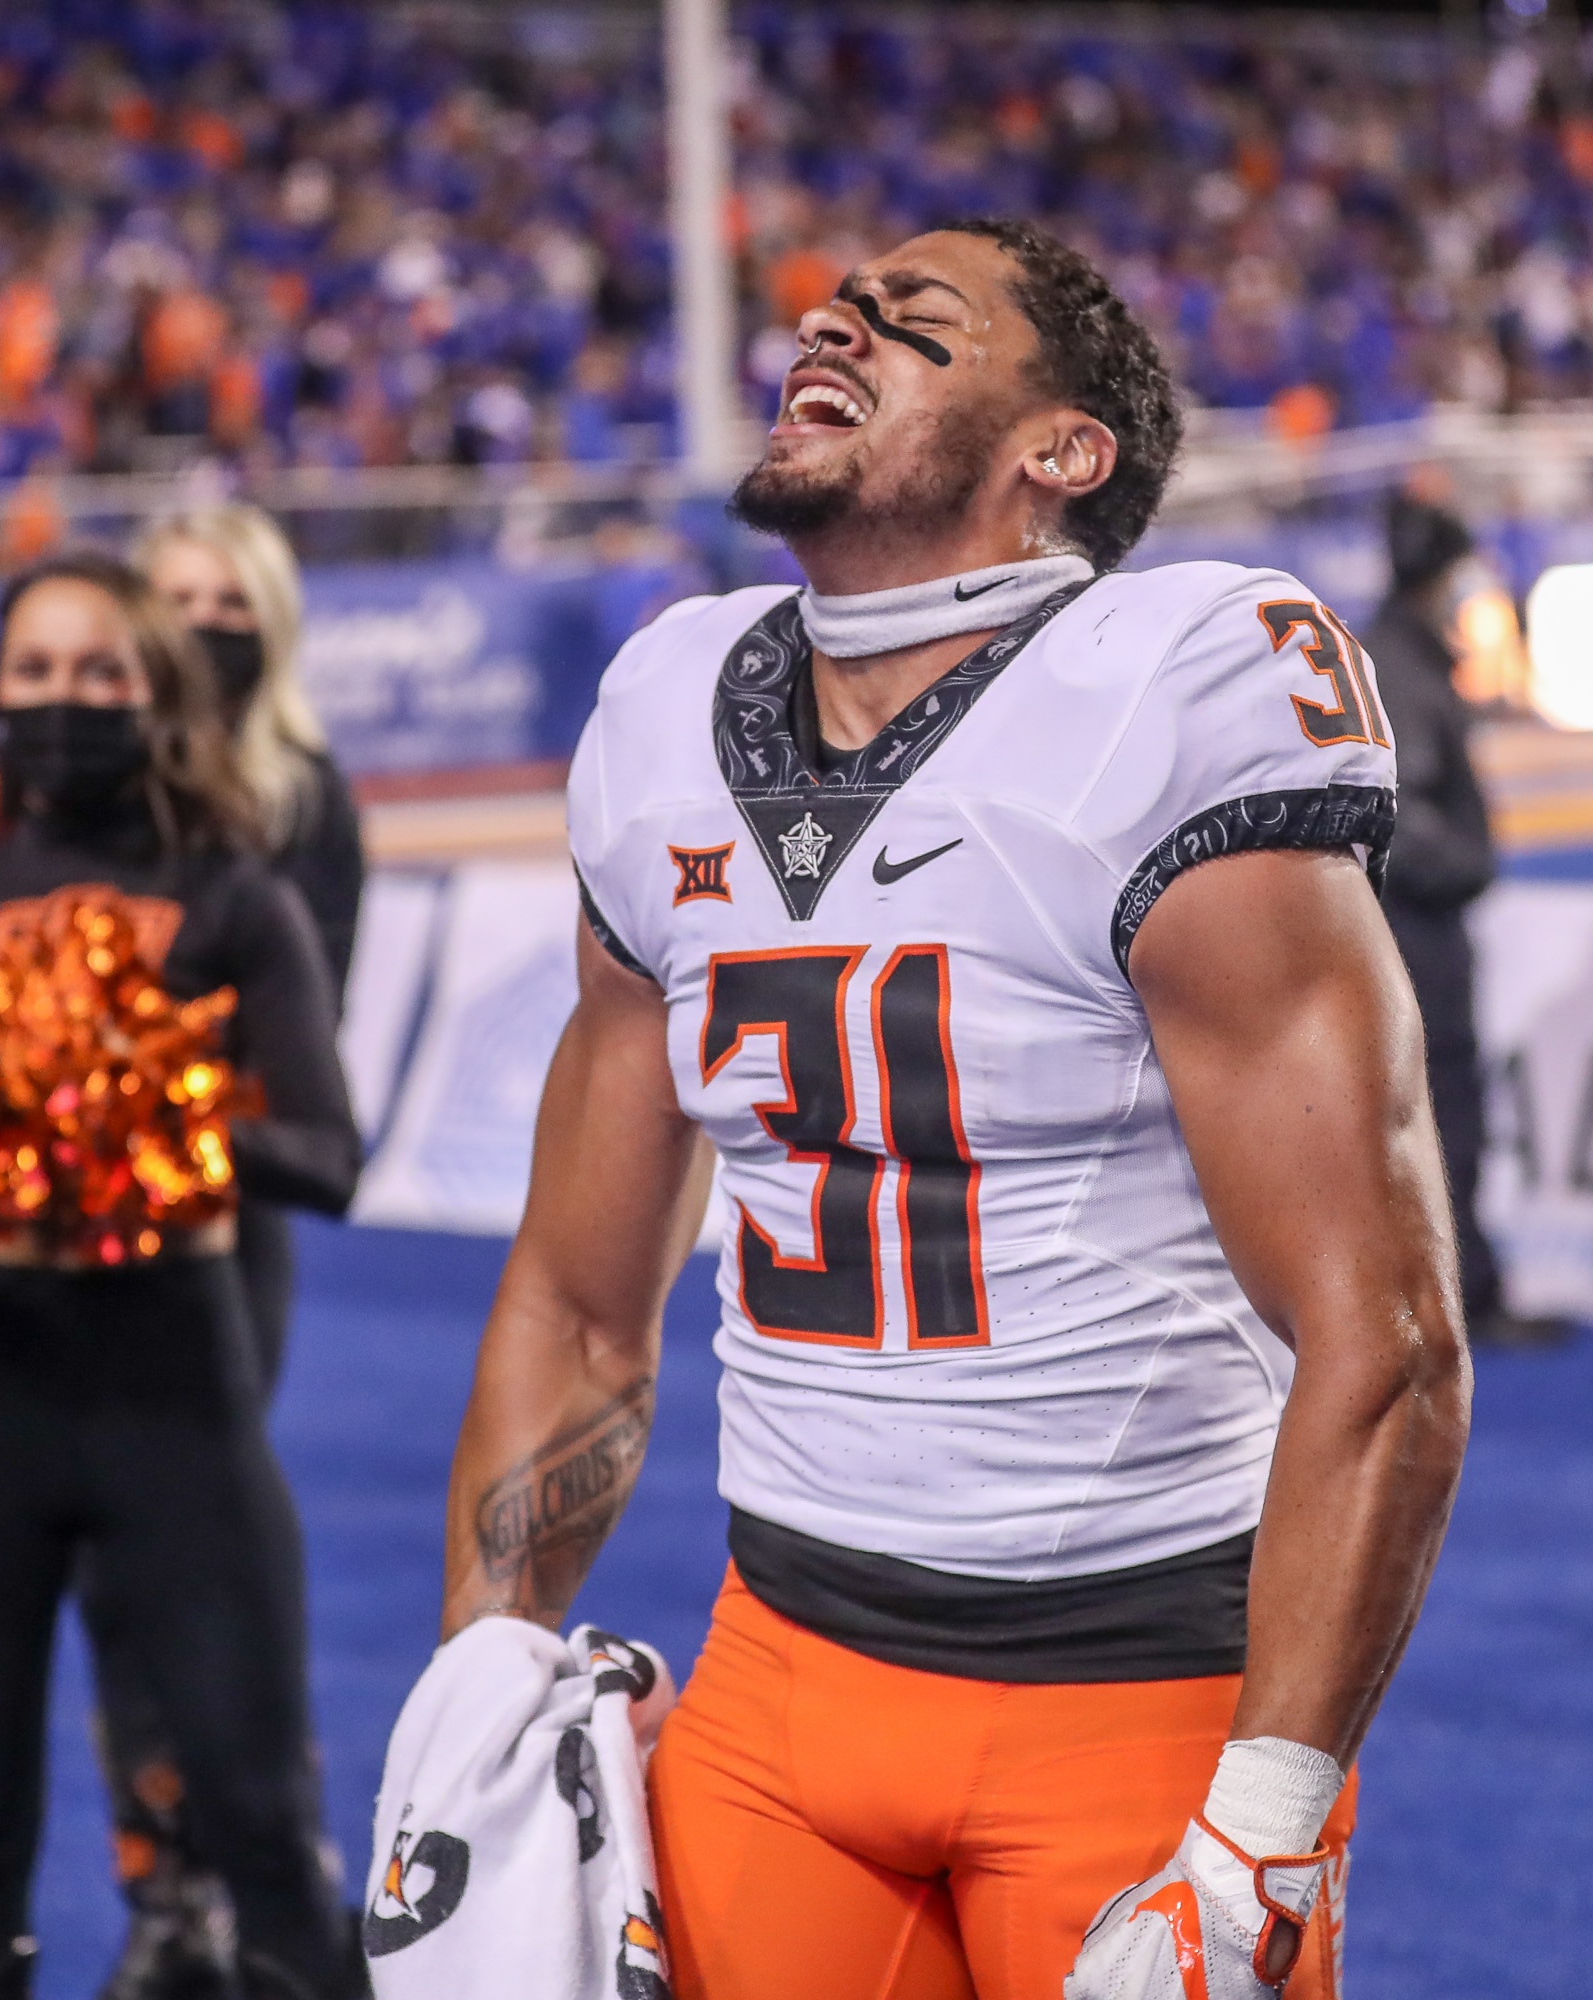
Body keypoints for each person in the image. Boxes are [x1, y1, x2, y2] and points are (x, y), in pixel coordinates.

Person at [414, 219, 1469, 2000]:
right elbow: (580, 1297)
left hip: (1131, 1697)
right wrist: (483, 1682)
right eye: (835, 309)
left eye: (915, 325)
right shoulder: (668, 707)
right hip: (780, 1676)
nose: (835, 325)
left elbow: (1389, 1334)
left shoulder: (1166, 689)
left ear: (1062, 450)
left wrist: (1262, 1830)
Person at [0, 551, 368, 2000]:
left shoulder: (234, 896)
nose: (66, 700)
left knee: (267, 1833)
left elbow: (327, 1155)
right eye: (35, 673)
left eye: (101, 674)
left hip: (179, 1411)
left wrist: (144, 1110)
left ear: (153, 694)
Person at [79, 507, 368, 1996]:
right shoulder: (91, 795)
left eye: (222, 598)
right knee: (108, 1574)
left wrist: (121, 1084)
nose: (198, 622)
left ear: (267, 619)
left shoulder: (304, 801)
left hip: (222, 1234)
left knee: (210, 1560)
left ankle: (275, 1887)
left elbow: (295, 1062)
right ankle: (159, 1894)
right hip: (72, 1237)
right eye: (171, 597)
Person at [1364, 492, 1560, 1355]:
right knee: (1442, 1117)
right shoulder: (1405, 672)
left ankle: (1424, 1296)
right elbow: (1400, 819)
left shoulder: (1382, 657)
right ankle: (1456, 1293)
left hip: (1391, 926)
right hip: (1417, 933)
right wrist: (1468, 868)